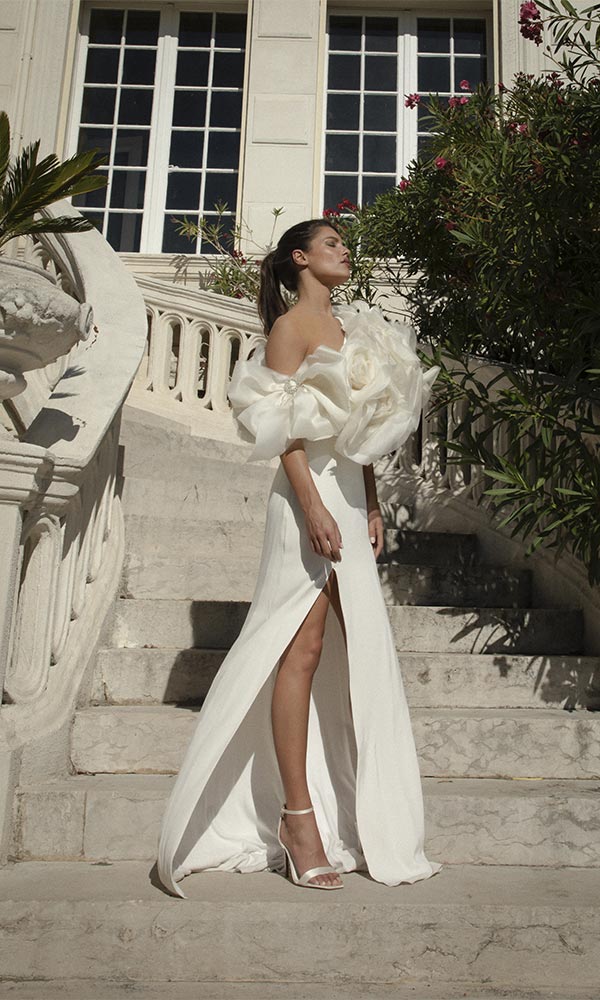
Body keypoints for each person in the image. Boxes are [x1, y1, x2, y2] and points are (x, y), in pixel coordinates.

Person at [157, 218, 441, 897]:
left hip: (347, 493)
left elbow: (361, 433)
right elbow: (281, 429)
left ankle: (363, 813)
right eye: (333, 243)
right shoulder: (290, 329)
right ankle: (298, 820)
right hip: (304, 498)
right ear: (301, 258)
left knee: (360, 651)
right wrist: (313, 507)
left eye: (345, 244)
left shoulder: (352, 328)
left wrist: (370, 503)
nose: (345, 251)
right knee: (300, 648)